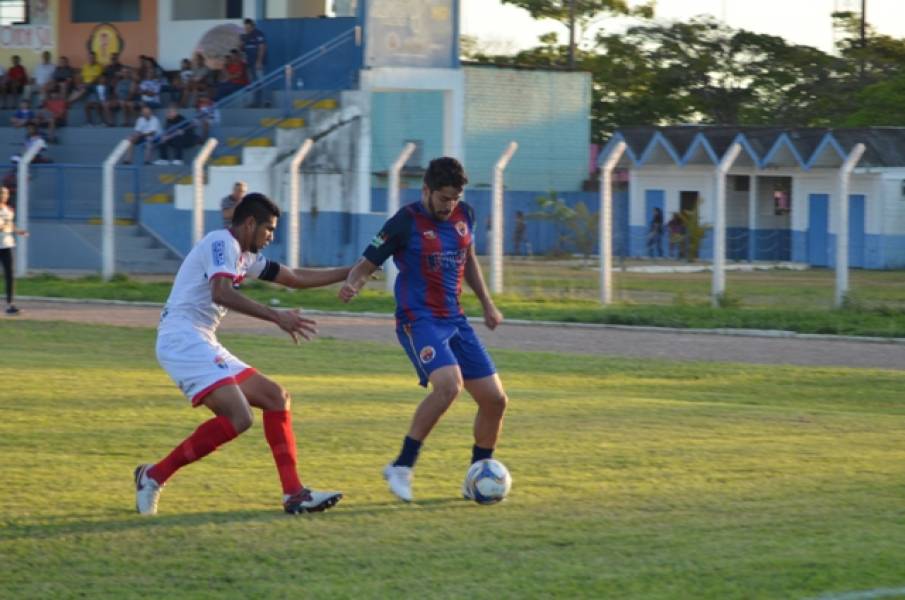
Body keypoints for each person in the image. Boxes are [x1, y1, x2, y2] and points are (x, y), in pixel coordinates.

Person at [135, 192, 349, 516]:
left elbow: (294, 277)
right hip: (181, 339)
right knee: (240, 417)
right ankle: (154, 476)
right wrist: (276, 316)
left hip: (201, 339)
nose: (271, 236)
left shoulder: (246, 257)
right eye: (269, 229)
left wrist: (352, 270)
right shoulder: (221, 243)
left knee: (275, 397)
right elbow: (220, 292)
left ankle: (294, 494)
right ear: (250, 223)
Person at [338, 157, 509, 503]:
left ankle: (477, 475)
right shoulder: (405, 221)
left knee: (495, 400)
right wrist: (353, 283)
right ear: (426, 190)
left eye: (455, 199)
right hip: (419, 320)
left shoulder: (465, 215)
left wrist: (487, 303)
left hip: (455, 320)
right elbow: (367, 262)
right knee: (449, 386)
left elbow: (468, 259)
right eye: (444, 198)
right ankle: (402, 466)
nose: (450, 206)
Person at [0, 185, 27, 315]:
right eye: (2, 193)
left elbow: (10, 224)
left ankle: (10, 305)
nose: (4, 195)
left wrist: (18, 231)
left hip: (6, 245)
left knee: (10, 275)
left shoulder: (9, 209)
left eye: (6, 193)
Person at [241, 18, 267, 105]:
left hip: (257, 64)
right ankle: (255, 102)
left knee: (261, 82)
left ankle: (265, 101)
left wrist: (259, 61)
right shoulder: (245, 36)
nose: (247, 29)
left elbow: (262, 47)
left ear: (253, 27)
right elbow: (243, 49)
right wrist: (241, 44)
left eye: (248, 28)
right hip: (249, 64)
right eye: (245, 28)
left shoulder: (258, 34)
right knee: (253, 83)